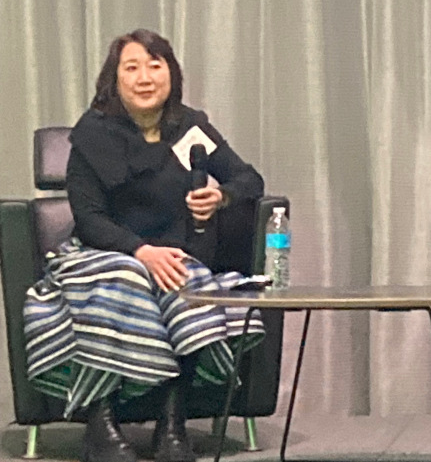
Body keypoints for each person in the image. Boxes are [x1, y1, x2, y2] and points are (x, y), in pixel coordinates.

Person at [23, 29, 267, 462]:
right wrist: (140, 252)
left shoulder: (191, 128)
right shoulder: (93, 134)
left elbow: (249, 179)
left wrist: (221, 195)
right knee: (128, 277)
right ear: (114, 79)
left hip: (172, 255)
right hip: (101, 254)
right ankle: (100, 426)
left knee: (188, 285)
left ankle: (171, 425)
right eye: (131, 67)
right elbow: (90, 219)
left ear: (171, 73)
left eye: (155, 65)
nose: (145, 77)